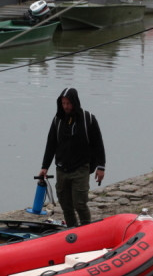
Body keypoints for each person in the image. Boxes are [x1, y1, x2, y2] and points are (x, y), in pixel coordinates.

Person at [38, 87, 106, 227]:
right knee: (65, 204)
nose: (66, 106)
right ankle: (72, 230)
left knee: (80, 203)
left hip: (81, 168)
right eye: (63, 103)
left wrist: (101, 166)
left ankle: (87, 229)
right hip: (62, 169)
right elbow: (51, 143)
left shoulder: (88, 119)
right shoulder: (58, 120)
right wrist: (44, 167)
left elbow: (98, 143)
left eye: (68, 103)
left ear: (75, 102)